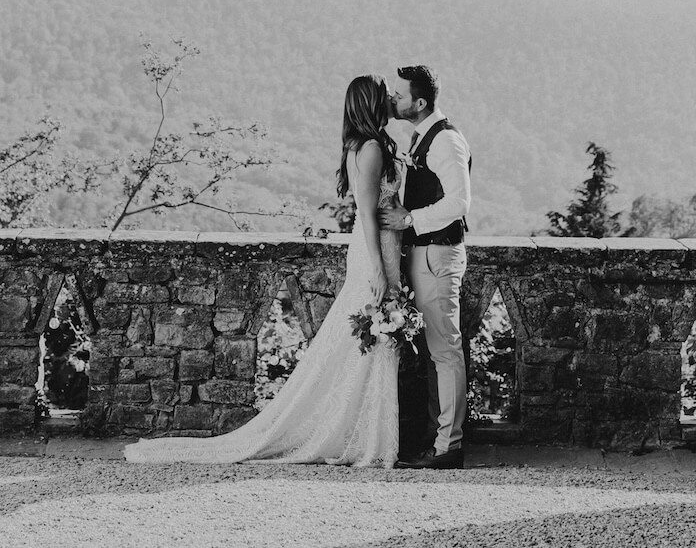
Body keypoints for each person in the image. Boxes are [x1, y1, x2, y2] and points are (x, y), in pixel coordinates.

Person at [125, 74, 402, 466]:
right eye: (384, 94)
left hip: (381, 250)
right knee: (370, 334)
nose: (391, 98)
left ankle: (359, 430)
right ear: (371, 103)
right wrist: (378, 267)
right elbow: (369, 215)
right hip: (375, 252)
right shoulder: (372, 149)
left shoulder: (363, 145)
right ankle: (360, 436)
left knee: (364, 337)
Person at [379, 64, 471, 470]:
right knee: (437, 353)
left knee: (445, 351)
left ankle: (449, 445)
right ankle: (439, 439)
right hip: (425, 253)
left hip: (437, 252)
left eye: (399, 96)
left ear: (419, 102)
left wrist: (409, 220)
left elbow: (458, 204)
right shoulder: (422, 138)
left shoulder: (446, 141)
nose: (393, 100)